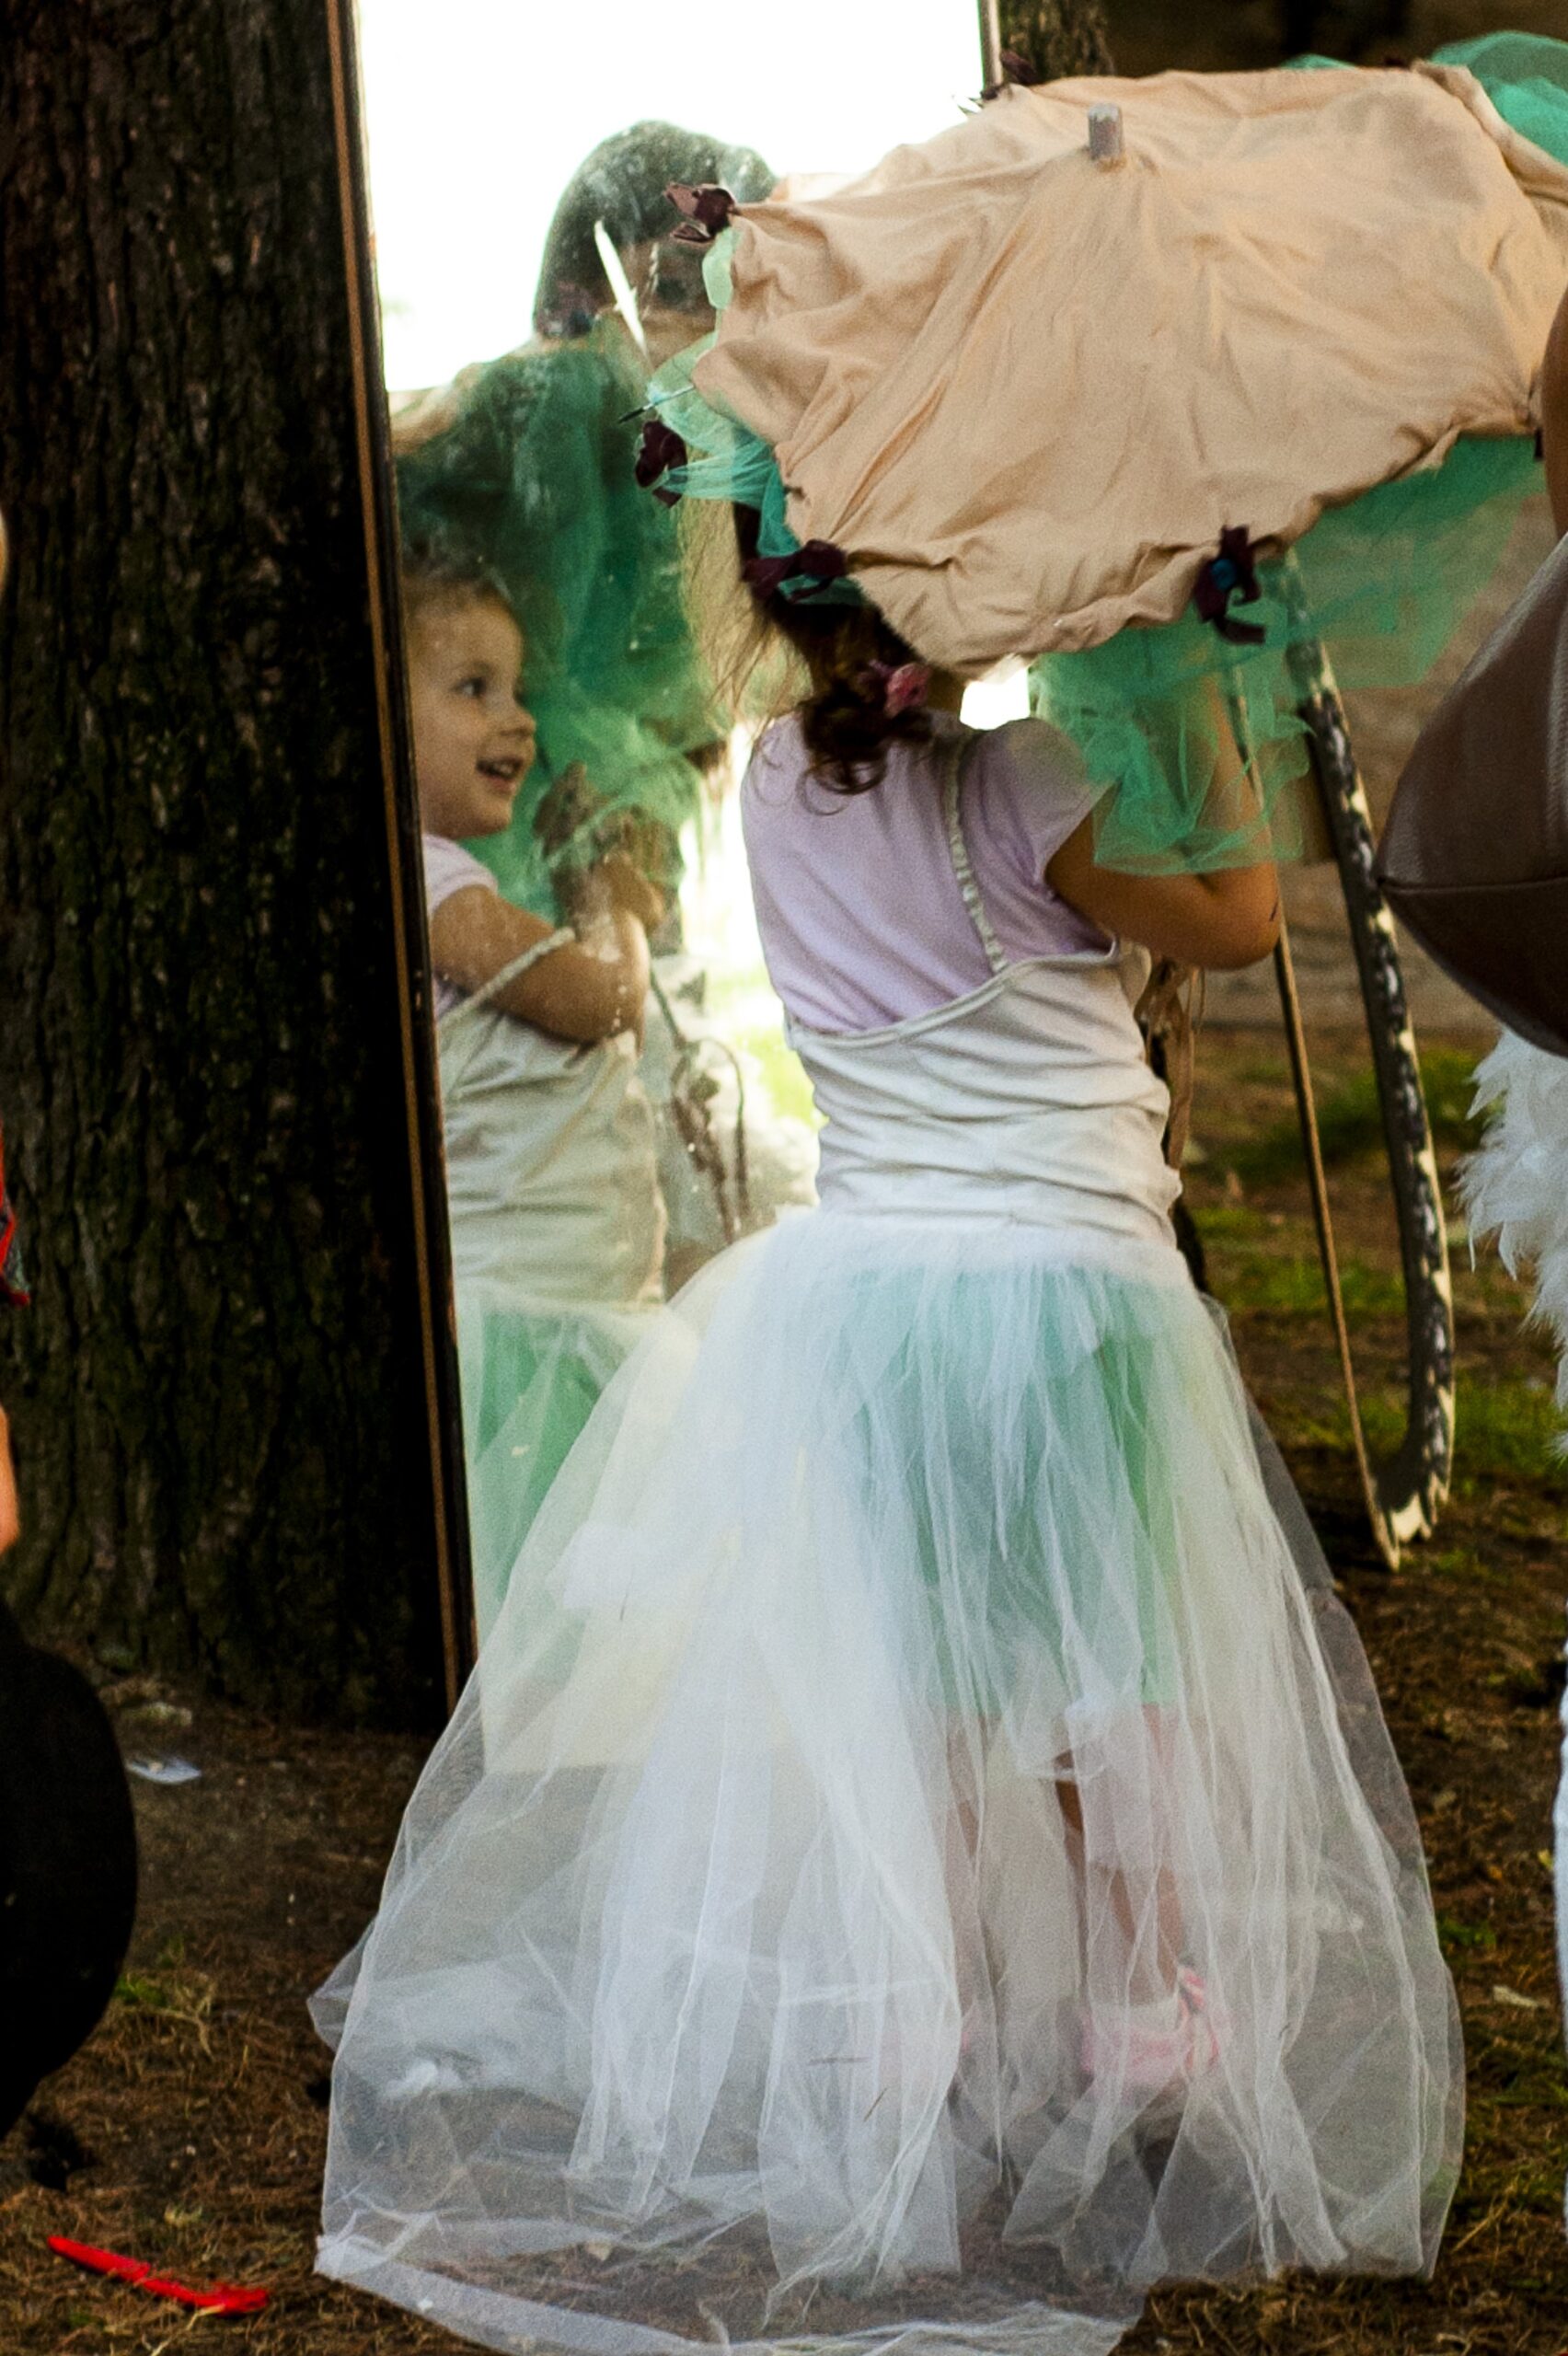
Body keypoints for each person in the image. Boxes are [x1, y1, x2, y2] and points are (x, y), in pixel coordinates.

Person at [317, 527, 1459, 2354]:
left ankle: (926, 2025)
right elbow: (1240, 910)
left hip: (866, 1306)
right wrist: (1181, 676)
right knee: (1113, 1669)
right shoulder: (1031, 784)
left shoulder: (775, 781)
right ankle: (1136, 2024)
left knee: (925, 1687)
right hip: (1064, 1297)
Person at [408, 546, 666, 1641]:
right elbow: (604, 1001)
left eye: (515, 690)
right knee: (553, 1607)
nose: (515, 719)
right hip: (523, 1332)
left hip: (561, 1310)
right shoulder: (435, 886)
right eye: (472, 688)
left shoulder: (445, 879)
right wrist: (616, 906)